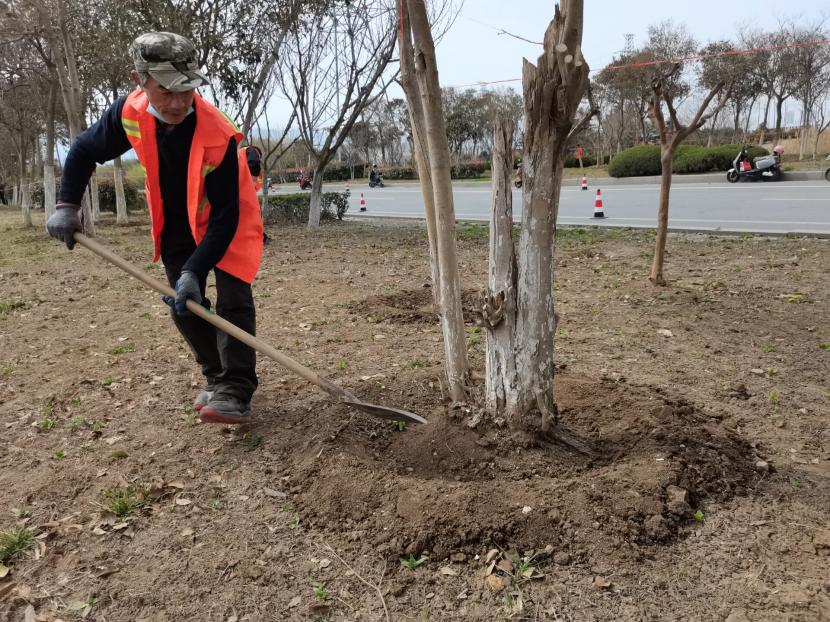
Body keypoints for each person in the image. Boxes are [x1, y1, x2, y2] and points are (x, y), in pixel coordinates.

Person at [45, 32, 264, 424]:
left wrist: (196, 269)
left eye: (187, 90)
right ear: (140, 80)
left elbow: (225, 216)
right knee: (183, 304)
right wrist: (66, 205)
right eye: (166, 90)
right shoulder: (129, 113)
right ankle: (217, 376)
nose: (179, 102)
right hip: (175, 219)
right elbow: (83, 150)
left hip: (226, 218)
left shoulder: (217, 133)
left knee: (233, 300)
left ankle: (236, 388)